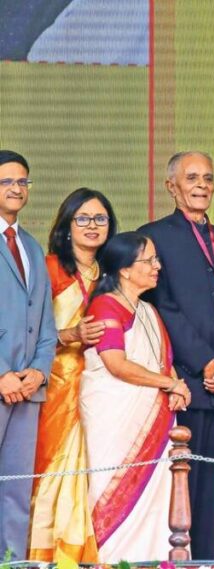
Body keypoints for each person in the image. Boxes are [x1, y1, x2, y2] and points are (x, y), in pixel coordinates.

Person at [138, 151, 214, 559]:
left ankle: (208, 562)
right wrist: (206, 362)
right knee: (176, 486)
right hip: (181, 384)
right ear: (172, 186)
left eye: (208, 178)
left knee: (210, 489)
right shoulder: (153, 237)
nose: (202, 185)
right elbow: (163, 307)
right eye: (192, 178)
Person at [79, 232, 191, 562]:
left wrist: (177, 387)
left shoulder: (148, 310)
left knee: (156, 500)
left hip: (154, 420)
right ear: (125, 269)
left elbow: (163, 363)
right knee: (113, 489)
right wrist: (169, 384)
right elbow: (116, 364)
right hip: (114, 419)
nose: (158, 266)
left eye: (157, 259)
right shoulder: (105, 305)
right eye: (149, 260)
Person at [28, 188, 117, 562]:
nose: (92, 225)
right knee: (55, 472)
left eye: (100, 218)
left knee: (96, 474)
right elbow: (28, 331)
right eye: (83, 218)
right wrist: (70, 334)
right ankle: (46, 555)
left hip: (104, 387)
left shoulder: (113, 274)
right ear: (67, 226)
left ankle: (90, 555)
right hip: (57, 387)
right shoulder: (49, 268)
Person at [0, 150, 58, 560]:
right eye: (7, 181)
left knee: (16, 490)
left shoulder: (32, 248)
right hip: (3, 382)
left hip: (28, 389)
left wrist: (38, 371)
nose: (17, 189)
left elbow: (47, 324)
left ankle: (11, 563)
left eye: (23, 182)